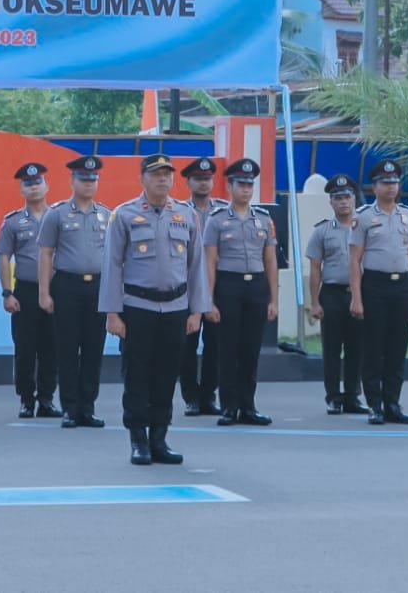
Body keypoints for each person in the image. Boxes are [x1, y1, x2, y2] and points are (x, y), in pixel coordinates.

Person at [100, 154, 210, 466]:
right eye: (156, 174)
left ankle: (160, 438)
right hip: (138, 307)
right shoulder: (124, 215)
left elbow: (196, 265)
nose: (163, 179)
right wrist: (112, 312)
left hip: (176, 308)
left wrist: (197, 311)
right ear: (143, 179)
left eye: (167, 174)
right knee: (137, 375)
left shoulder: (185, 215)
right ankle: (138, 440)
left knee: (166, 374)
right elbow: (112, 265)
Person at [349, 159, 408, 425]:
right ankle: (375, 405)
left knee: (396, 349)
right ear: (375, 186)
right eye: (385, 182)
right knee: (373, 348)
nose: (391, 187)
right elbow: (355, 260)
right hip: (375, 287)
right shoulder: (364, 217)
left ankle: (393, 403)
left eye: (394, 182)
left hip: (402, 287)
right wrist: (356, 298)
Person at [38, 155, 111, 428]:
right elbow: (45, 254)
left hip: (98, 287)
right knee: (67, 349)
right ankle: (69, 407)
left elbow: (114, 258)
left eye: (93, 179)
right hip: (67, 285)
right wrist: (44, 293)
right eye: (83, 179)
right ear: (72, 181)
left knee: (94, 349)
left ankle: (88, 408)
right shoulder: (56, 214)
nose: (89, 184)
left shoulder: (106, 214)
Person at [203, 158, 277, 426]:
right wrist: (208, 300)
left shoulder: (264, 219)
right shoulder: (217, 219)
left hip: (255, 287)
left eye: (249, 185)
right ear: (230, 186)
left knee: (250, 350)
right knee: (228, 349)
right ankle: (229, 406)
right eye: (241, 184)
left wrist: (273, 299)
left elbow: (270, 260)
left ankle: (248, 405)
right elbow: (210, 261)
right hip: (228, 286)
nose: (246, 190)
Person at [0, 162, 61, 419]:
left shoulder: (57, 217)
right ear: (22, 190)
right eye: (28, 184)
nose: (34, 188)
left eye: (37, 183)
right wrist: (6, 292)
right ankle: (26, 399)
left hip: (55, 291)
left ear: (46, 186)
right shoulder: (13, 222)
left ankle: (47, 399)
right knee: (24, 349)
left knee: (51, 347)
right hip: (25, 292)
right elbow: (3, 257)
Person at [305, 174, 368, 415]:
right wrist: (315, 303)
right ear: (331, 203)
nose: (343, 202)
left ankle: (353, 396)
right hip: (332, 294)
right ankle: (333, 396)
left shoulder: (365, 228)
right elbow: (315, 269)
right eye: (338, 198)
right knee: (332, 349)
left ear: (354, 200)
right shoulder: (322, 231)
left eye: (347, 197)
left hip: (358, 294)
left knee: (356, 347)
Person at [178, 157, 227, 416]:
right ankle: (191, 397)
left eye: (207, 179)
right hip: (188, 283)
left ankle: (209, 395)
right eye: (198, 179)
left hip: (220, 283)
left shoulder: (224, 210)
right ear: (188, 182)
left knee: (215, 344)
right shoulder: (179, 211)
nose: (203, 183)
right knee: (187, 343)